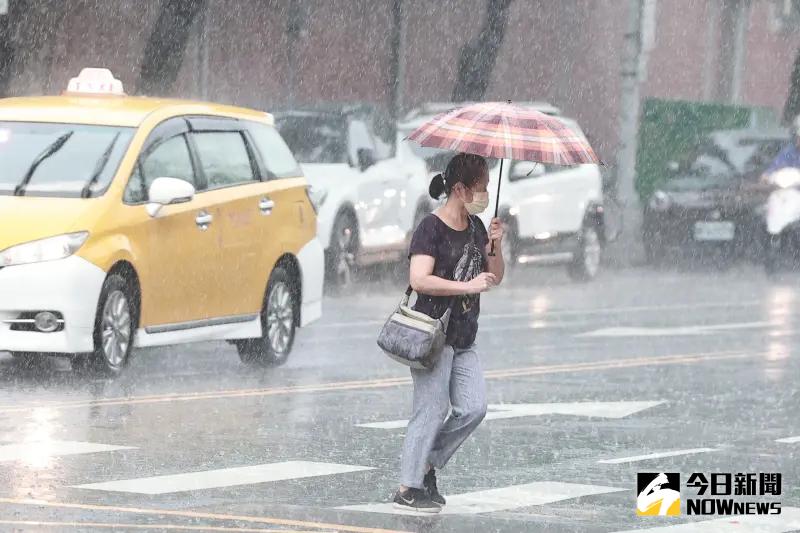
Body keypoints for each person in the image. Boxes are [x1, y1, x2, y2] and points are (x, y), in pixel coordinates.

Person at [393, 153, 505, 513]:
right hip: (432, 334)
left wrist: (496, 247)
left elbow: (495, 277)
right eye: (481, 187)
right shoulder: (431, 228)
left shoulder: (476, 227)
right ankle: (408, 487)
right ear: (459, 188)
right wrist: (466, 286)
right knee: (430, 409)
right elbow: (419, 279)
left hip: (464, 336)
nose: (485, 194)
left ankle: (426, 464)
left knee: (474, 408)